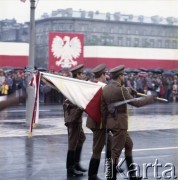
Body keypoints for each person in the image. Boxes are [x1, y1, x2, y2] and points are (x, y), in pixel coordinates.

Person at [101, 65, 156, 180]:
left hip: (111, 123)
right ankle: (110, 177)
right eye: (123, 75)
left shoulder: (106, 88)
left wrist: (129, 90)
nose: (124, 76)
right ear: (120, 76)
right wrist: (150, 98)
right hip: (120, 125)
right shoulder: (121, 90)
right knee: (115, 153)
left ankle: (132, 174)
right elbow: (136, 103)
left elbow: (103, 108)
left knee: (129, 145)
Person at [86, 64, 111, 180]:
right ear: (102, 75)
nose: (107, 76)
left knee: (109, 146)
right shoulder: (103, 88)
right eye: (105, 74)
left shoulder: (92, 86)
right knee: (97, 149)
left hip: (93, 120)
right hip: (99, 122)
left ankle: (109, 170)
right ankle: (92, 175)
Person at [63, 64, 87, 177]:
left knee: (81, 138)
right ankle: (70, 169)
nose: (83, 75)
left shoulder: (77, 84)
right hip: (73, 118)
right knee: (72, 143)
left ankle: (76, 164)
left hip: (77, 117)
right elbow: (69, 101)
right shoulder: (73, 86)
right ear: (77, 75)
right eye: (81, 74)